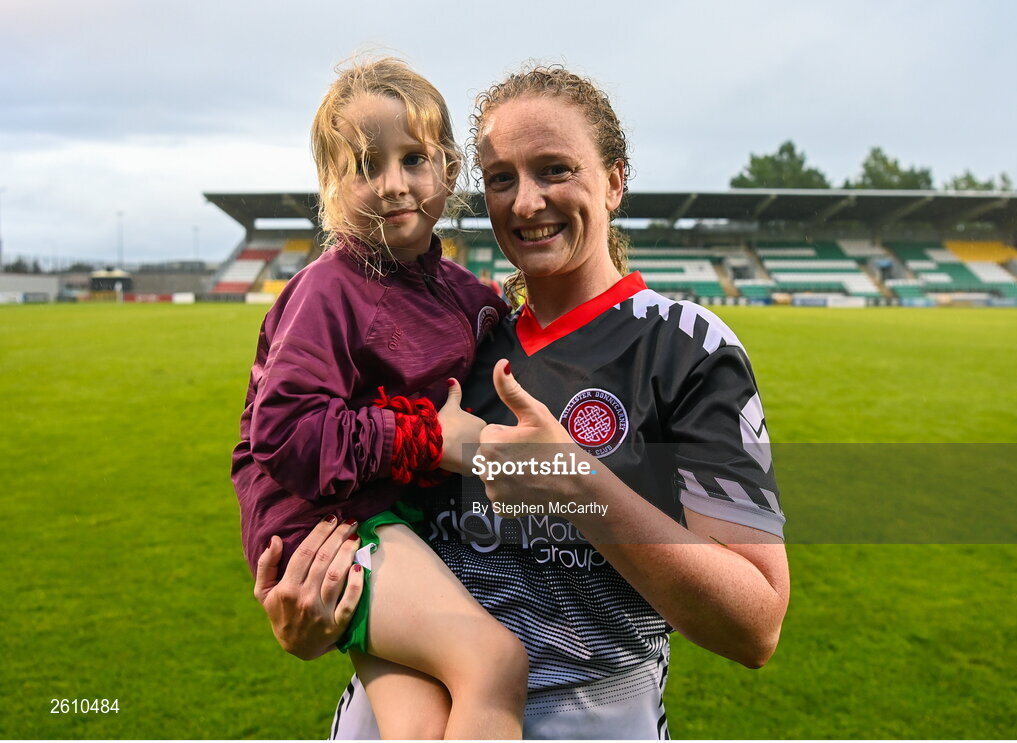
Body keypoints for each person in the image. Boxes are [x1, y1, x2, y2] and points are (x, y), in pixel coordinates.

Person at [253, 64, 790, 740]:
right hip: (398, 712)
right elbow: (339, 484)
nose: (527, 202)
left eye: (555, 170)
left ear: (616, 180)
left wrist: (578, 485)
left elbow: (757, 624)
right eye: (503, 178)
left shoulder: (684, 347)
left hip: (590, 713)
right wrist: (312, 615)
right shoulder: (464, 338)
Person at [232, 57, 527, 739]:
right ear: (332, 186)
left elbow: (494, 332)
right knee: (495, 663)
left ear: (449, 170)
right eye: (365, 166)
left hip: (380, 516)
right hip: (332, 524)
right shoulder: (327, 288)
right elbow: (285, 432)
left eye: (414, 159)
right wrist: (427, 439)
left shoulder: (460, 292)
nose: (393, 184)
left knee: (420, 721)